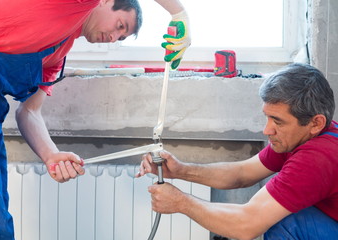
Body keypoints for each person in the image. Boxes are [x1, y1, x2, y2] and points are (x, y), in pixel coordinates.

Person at [0, 0, 190, 238]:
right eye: (120, 24)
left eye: (121, 37)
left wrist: (51, 156)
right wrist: (178, 13)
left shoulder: (55, 57)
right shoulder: (75, 3)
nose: (113, 37)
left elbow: (29, 111)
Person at [137, 63, 338, 240]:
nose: (267, 130)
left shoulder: (318, 158)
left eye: (278, 121)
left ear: (315, 123)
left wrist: (181, 203)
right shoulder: (300, 136)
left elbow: (246, 225)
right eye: (267, 117)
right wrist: (181, 171)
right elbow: (242, 174)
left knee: (286, 221)